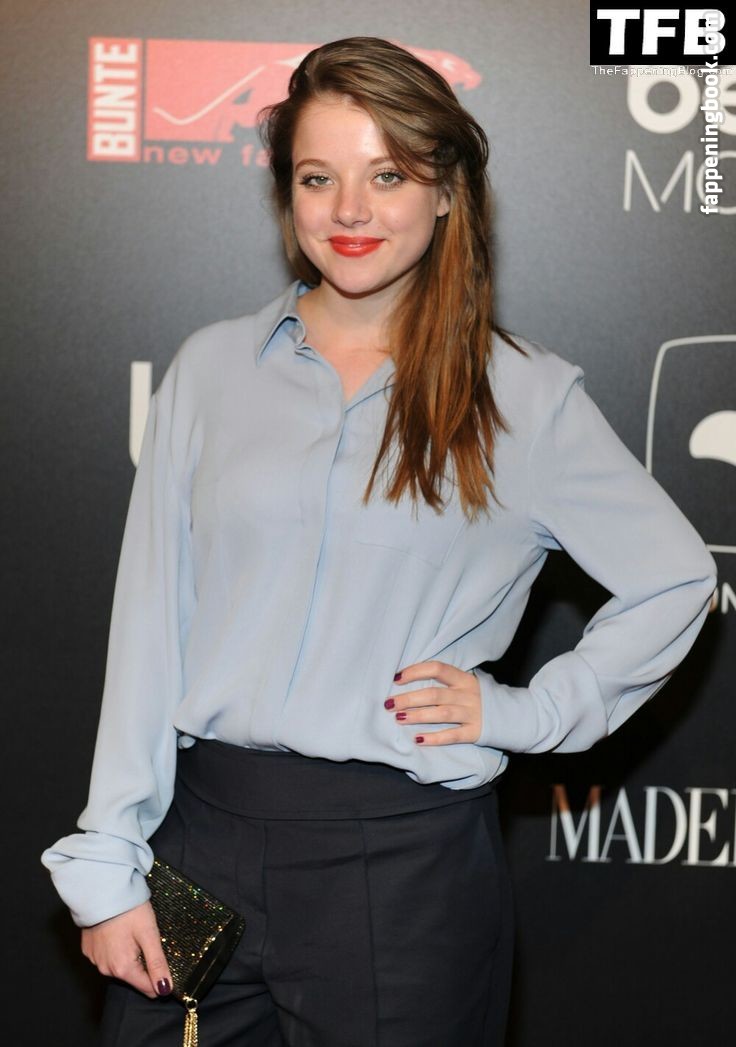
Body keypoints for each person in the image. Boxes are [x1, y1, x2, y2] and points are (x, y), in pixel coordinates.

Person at [42, 36, 716, 1047]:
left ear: (445, 191)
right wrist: (109, 858)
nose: (349, 210)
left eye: (388, 175)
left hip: (403, 867)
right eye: (318, 177)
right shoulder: (212, 369)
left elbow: (676, 578)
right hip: (196, 841)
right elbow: (150, 626)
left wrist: (528, 711)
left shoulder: (524, 397)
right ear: (287, 194)